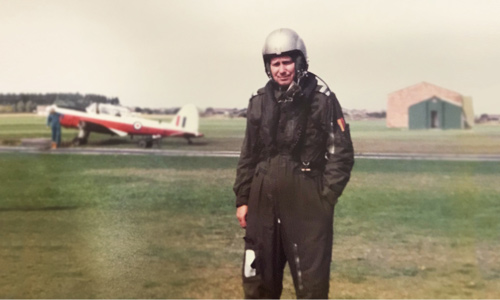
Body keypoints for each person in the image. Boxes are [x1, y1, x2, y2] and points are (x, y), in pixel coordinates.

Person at [233, 28, 355, 299]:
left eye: (287, 62)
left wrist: (324, 199)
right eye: (275, 64)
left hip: (307, 202)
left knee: (311, 287)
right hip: (262, 199)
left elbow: (341, 153)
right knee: (258, 282)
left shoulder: (322, 98)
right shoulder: (258, 101)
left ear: (299, 62)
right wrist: (243, 199)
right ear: (268, 67)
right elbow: (248, 154)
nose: (281, 69)